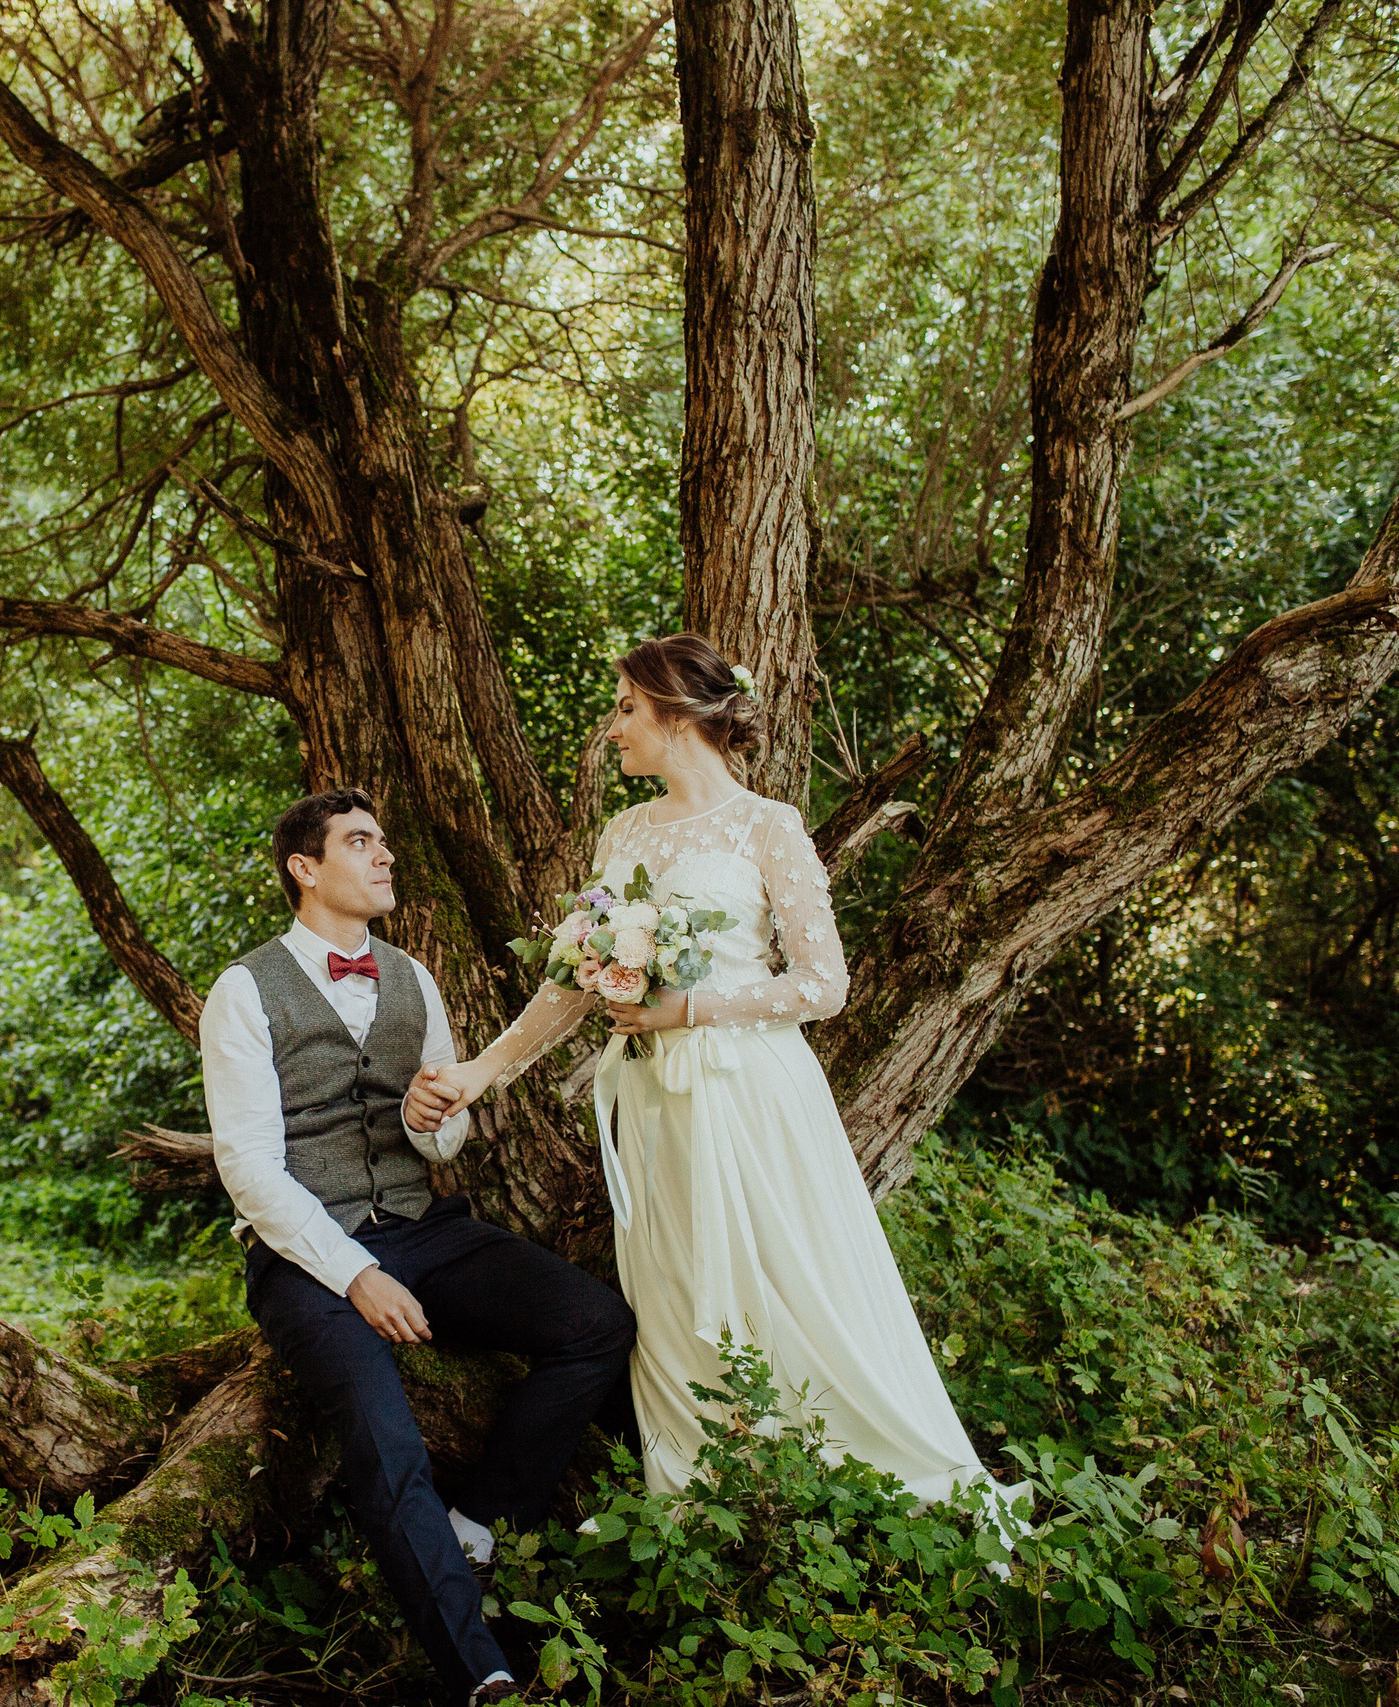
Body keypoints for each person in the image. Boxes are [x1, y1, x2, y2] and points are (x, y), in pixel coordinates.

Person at [409, 635, 1028, 1532]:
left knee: (780, 1275)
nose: (613, 727)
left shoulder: (768, 825)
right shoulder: (625, 832)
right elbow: (570, 980)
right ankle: (711, 1487)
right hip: (654, 1102)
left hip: (748, 1092)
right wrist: (482, 1070)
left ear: (676, 713)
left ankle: (836, 1468)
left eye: (626, 707)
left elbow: (825, 984)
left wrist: (689, 1007)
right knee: (675, 1282)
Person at [201, 788, 639, 1707]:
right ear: (305, 867)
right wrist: (355, 1274)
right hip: (305, 1255)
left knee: (596, 1323)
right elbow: (248, 1168)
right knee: (381, 1429)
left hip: (423, 1226)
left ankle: (478, 1523)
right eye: (361, 842)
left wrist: (429, 1118)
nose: (384, 855)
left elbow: (444, 1140)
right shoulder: (243, 990)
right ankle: (480, 1671)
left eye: (384, 840)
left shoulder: (413, 977)